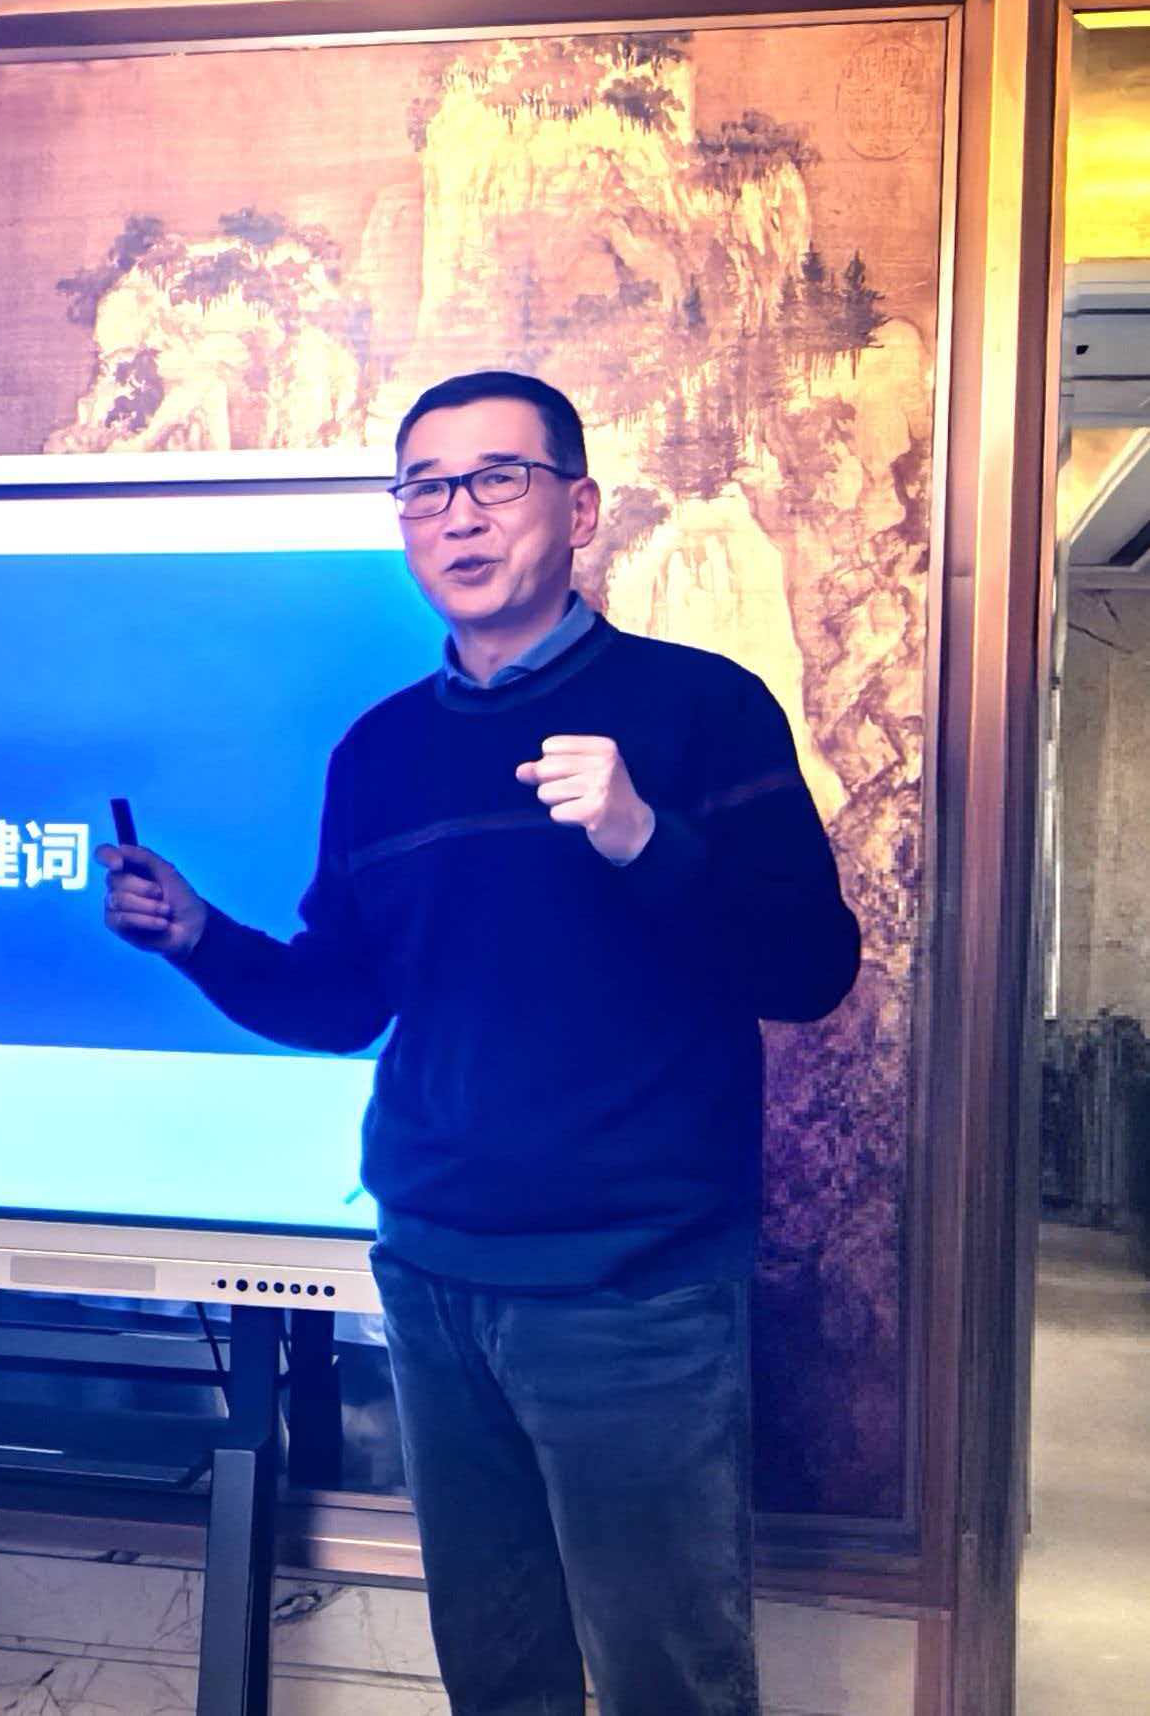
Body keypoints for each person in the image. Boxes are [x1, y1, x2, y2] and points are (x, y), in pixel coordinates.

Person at [95, 369, 860, 1716]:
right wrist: (199, 935)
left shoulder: (701, 708)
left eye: (498, 478)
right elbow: (344, 1001)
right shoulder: (380, 752)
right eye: (425, 489)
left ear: (581, 508)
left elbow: (811, 970)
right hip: (433, 1274)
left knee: (668, 1680)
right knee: (497, 1679)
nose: (459, 515)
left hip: (633, 1291)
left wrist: (641, 837)